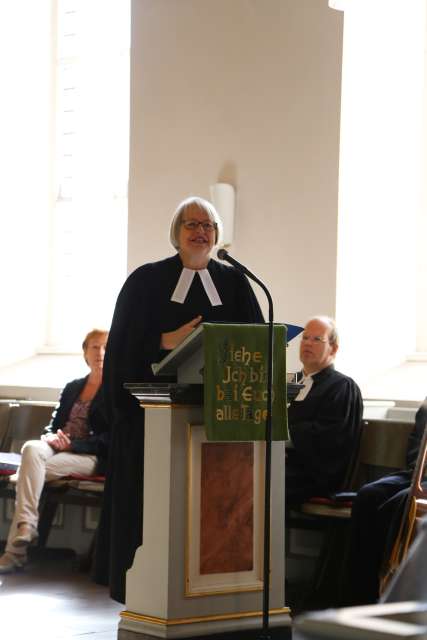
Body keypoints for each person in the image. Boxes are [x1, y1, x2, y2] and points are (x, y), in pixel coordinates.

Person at [94, 196, 264, 603]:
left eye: (208, 225)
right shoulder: (146, 280)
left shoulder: (235, 282)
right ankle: (147, 589)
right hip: (151, 421)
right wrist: (161, 341)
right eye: (192, 224)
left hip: (218, 422)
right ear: (176, 232)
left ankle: (215, 590)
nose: (201, 232)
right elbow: (118, 349)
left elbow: (256, 341)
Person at [0, 328, 109, 573]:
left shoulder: (115, 392)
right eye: (94, 347)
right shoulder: (73, 387)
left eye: (105, 347)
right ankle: (27, 526)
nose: (100, 352)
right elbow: (54, 425)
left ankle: (14, 554)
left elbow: (111, 440)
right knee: (32, 449)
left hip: (89, 456)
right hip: (59, 448)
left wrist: (74, 445)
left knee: (29, 473)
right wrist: (52, 437)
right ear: (85, 352)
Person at [344, 399, 427, 605]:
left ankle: (387, 589)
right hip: (419, 472)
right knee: (369, 494)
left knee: (402, 501)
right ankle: (357, 597)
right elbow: (416, 445)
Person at [286, 316, 363, 505]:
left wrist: (284, 433)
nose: (307, 344)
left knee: (259, 480)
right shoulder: (291, 381)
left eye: (316, 339)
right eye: (305, 338)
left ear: (334, 348)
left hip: (314, 475)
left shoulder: (342, 387)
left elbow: (331, 439)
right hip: (285, 463)